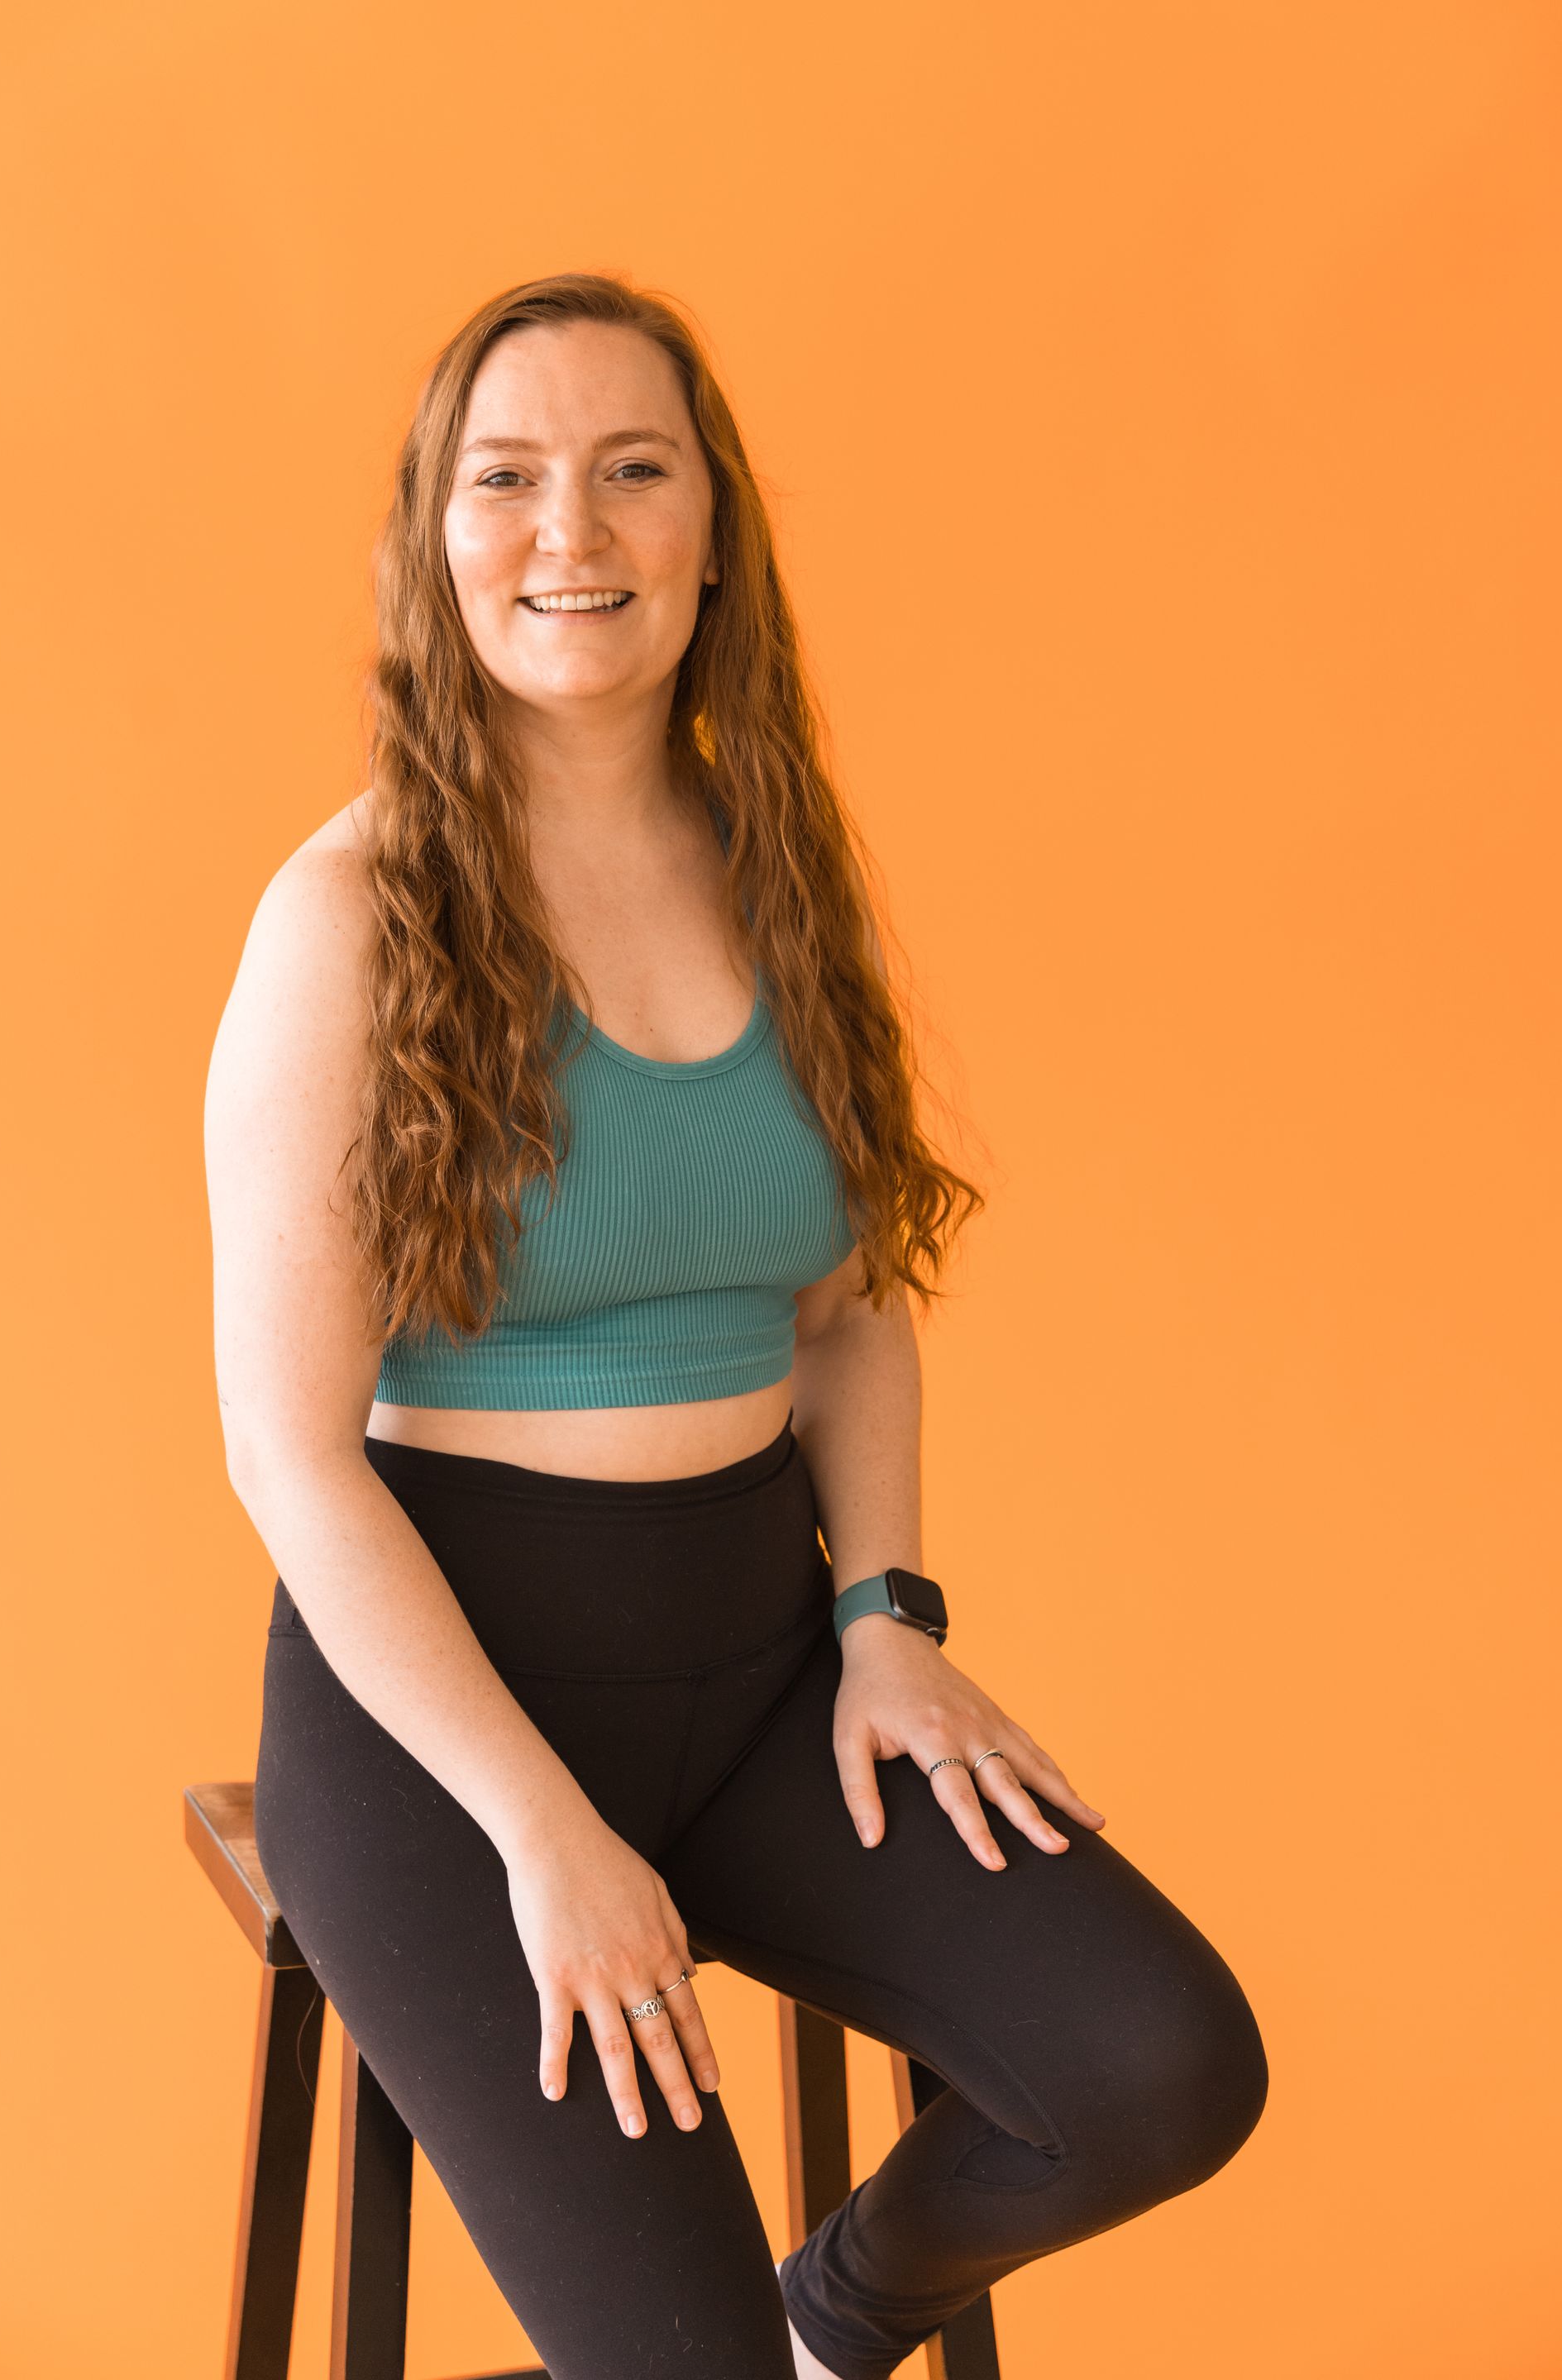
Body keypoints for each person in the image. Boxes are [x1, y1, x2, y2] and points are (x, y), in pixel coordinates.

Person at [205, 270, 1268, 2380]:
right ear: (438, 535)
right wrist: (544, 1837)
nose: (569, 535)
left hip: (765, 1660)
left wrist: (886, 1617)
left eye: (631, 472)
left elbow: (856, 1312)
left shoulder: (777, 866)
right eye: (504, 481)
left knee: (1165, 2063)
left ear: (713, 531)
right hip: (449, 1734)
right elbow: (290, 1454)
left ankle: (818, 2328)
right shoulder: (346, 917)